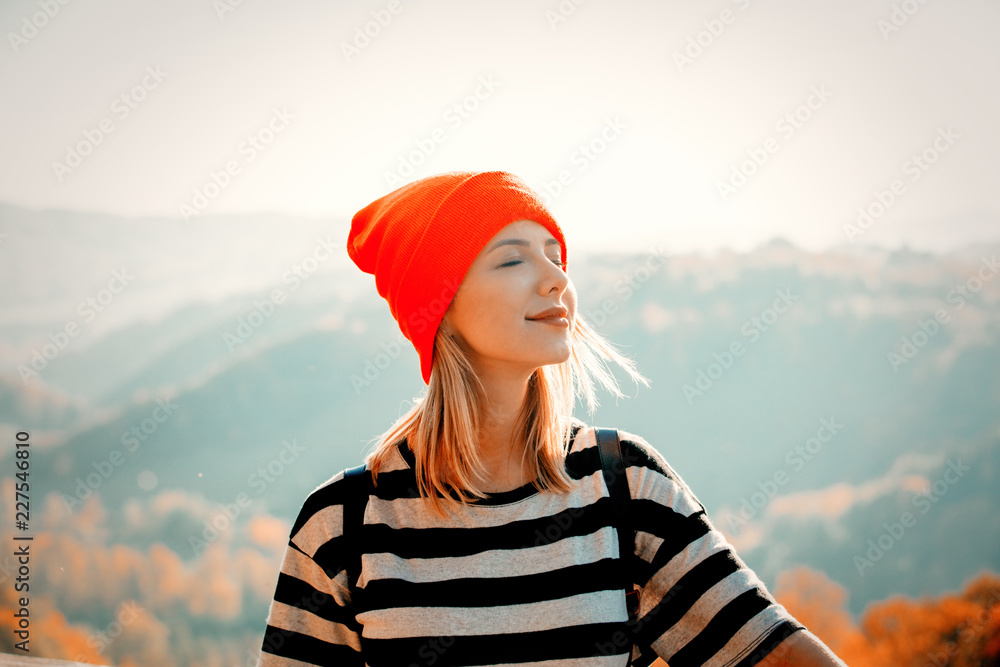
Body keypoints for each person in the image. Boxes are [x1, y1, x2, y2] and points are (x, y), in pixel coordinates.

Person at [256, 171, 847, 666]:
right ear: (440, 306)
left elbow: (774, 654)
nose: (557, 279)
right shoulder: (343, 526)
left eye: (556, 256)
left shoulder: (624, 486)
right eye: (512, 259)